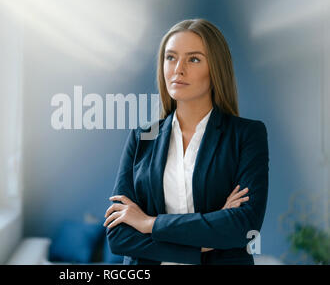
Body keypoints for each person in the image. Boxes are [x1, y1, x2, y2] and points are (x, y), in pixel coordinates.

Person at [104, 18, 269, 265]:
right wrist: (208, 238)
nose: (178, 69)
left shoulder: (247, 135)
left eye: (193, 59)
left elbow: (243, 226)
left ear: (216, 68)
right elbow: (119, 237)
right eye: (170, 57)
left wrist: (149, 223)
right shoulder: (142, 137)